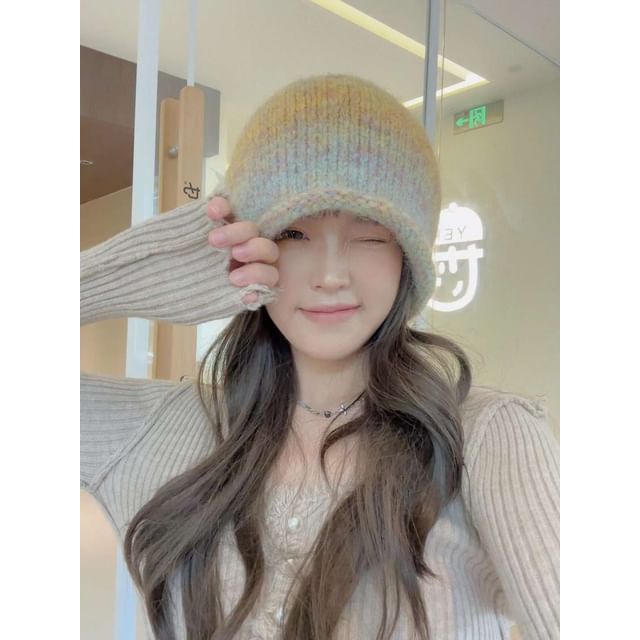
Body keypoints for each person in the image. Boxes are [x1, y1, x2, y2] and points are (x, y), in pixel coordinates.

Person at [80, 74, 559, 640]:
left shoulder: (486, 439)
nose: (331, 274)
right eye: (293, 234)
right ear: (246, 249)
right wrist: (115, 279)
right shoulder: (159, 430)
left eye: (370, 234)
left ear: (409, 257)